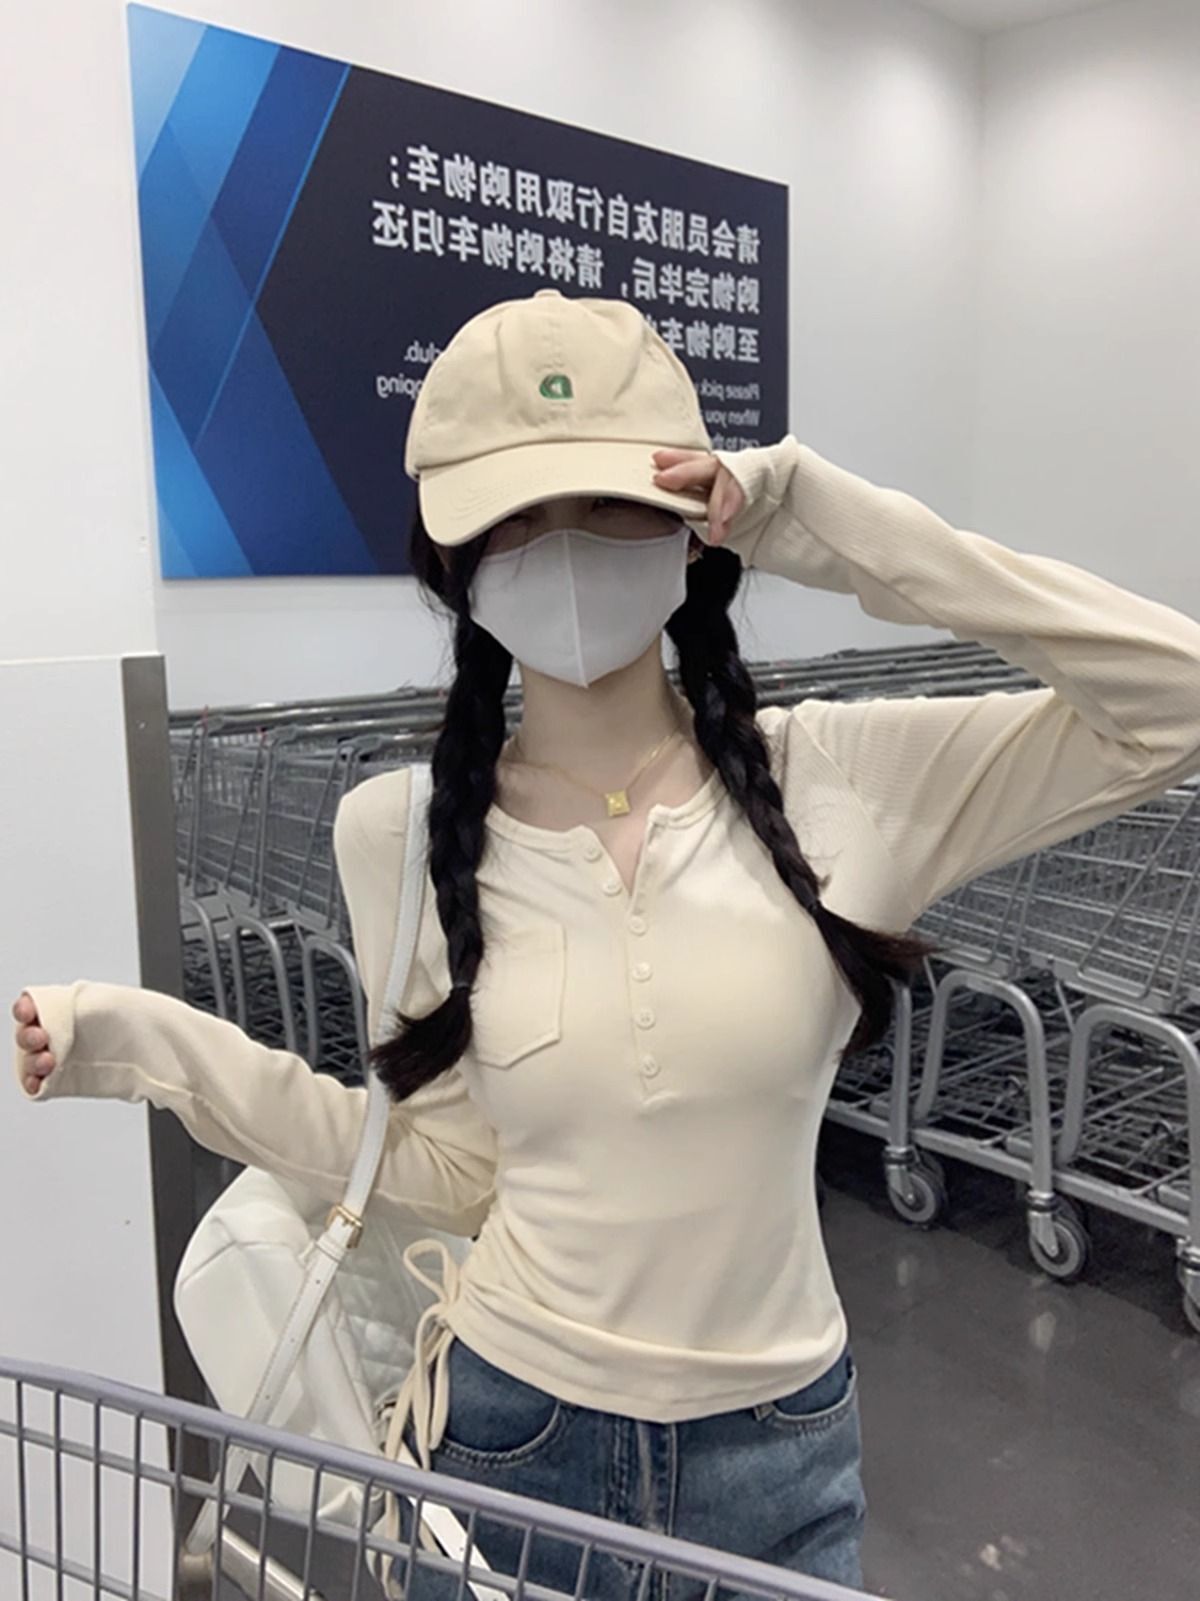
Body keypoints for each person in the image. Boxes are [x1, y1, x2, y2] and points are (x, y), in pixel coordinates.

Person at [12, 287, 1200, 1601]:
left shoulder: (845, 781)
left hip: (784, 1456)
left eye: (610, 504)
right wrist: (146, 1044)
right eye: (517, 517)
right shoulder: (399, 833)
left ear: (693, 527)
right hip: (509, 1444)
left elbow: (1175, 700)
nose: (566, 550)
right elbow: (444, 1164)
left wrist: (814, 514)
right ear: (457, 561)